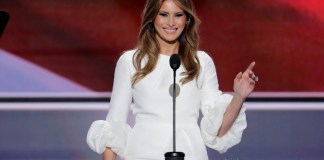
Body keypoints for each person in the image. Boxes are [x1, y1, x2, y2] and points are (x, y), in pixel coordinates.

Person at [87, 0, 258, 159]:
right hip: (142, 153)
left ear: (187, 19)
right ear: (152, 17)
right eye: (163, 14)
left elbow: (218, 130)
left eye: (178, 15)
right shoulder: (131, 61)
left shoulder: (201, 62)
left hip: (190, 153)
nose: (171, 22)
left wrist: (239, 97)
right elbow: (115, 125)